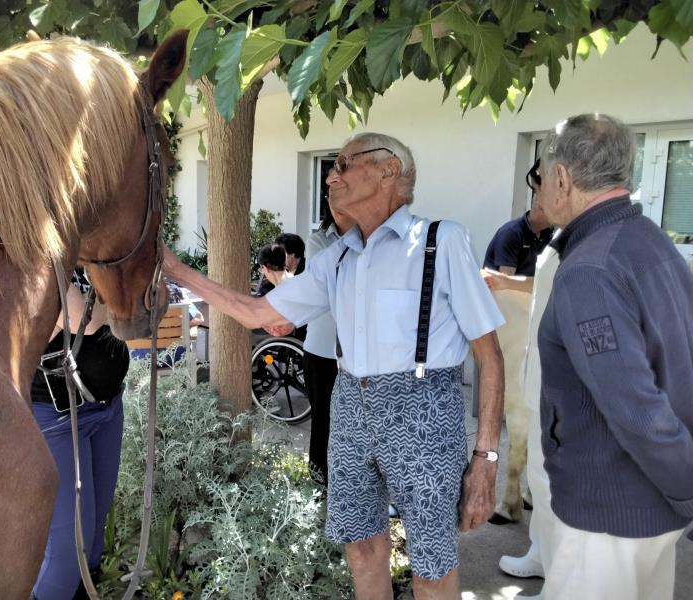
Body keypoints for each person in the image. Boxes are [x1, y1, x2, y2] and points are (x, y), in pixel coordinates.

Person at [162, 132, 505, 600]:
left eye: (344, 164)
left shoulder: (439, 241)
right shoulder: (338, 256)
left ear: (388, 171)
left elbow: (489, 354)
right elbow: (257, 313)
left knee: (432, 565)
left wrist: (486, 459)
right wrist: (175, 270)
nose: (331, 176)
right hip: (349, 409)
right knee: (360, 548)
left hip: (424, 414)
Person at [536, 114, 693, 600]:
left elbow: (634, 407)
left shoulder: (589, 269)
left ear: (562, 178)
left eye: (540, 175)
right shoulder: (650, 239)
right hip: (648, 506)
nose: (540, 188)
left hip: (609, 516)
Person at [30, 269, 129, 600]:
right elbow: (84, 320)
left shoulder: (88, 260)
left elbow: (137, 305)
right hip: (59, 417)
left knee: (94, 536)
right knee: (68, 554)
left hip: (107, 407)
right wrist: (115, 299)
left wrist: (105, 302)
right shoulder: (42, 256)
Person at [481, 185, 554, 526]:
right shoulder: (511, 234)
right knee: (516, 408)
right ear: (538, 202)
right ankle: (514, 493)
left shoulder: (554, 238)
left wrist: (523, 284)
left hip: (533, 326)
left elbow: (517, 283)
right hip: (509, 331)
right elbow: (500, 285)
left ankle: (522, 493)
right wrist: (533, 283)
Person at [302, 203, 353, 485]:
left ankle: (348, 484)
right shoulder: (318, 241)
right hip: (322, 350)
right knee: (323, 421)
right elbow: (328, 283)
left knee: (355, 425)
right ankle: (319, 483)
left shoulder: (373, 236)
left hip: (358, 355)